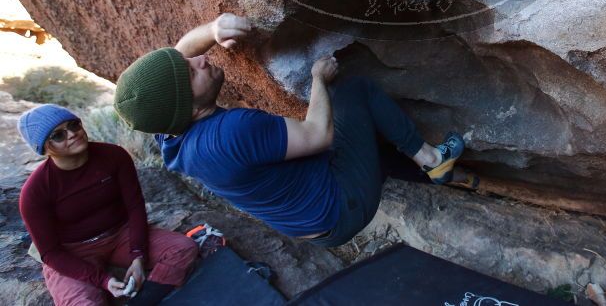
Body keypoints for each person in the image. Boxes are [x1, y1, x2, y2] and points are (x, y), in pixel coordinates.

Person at [113, 13, 468, 247]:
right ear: (187, 108)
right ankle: (433, 159)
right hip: (342, 210)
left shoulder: (172, 131)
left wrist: (213, 30)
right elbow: (318, 134)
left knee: (363, 138)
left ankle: (446, 176)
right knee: (353, 95)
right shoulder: (232, 132)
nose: (200, 59)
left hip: (316, 223)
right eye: (192, 73)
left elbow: (178, 57)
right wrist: (318, 79)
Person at [17, 104, 198, 305]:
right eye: (58, 135)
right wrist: (104, 280)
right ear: (44, 148)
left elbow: (135, 206)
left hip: (120, 234)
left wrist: (138, 256)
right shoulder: (35, 191)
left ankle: (143, 301)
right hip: (73, 251)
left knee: (183, 249)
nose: (72, 134)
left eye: (74, 125)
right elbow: (50, 253)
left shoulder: (114, 156)